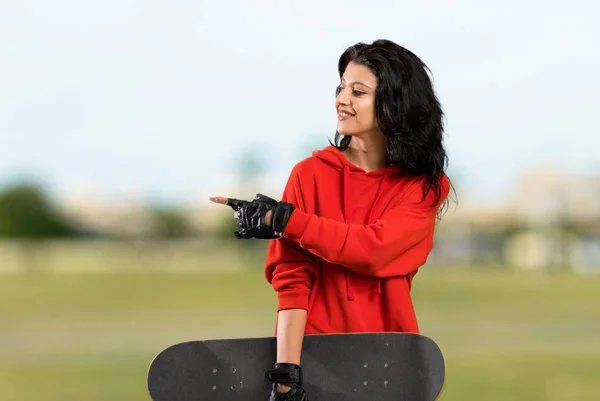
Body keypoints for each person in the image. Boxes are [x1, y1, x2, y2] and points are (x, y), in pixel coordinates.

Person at [210, 38, 454, 401]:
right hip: (316, 356)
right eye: (341, 88)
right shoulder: (309, 175)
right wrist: (287, 375)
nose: (342, 99)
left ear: (394, 103)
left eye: (358, 91)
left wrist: (285, 221)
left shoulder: (423, 187)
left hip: (391, 359)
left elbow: (375, 249)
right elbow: (293, 278)